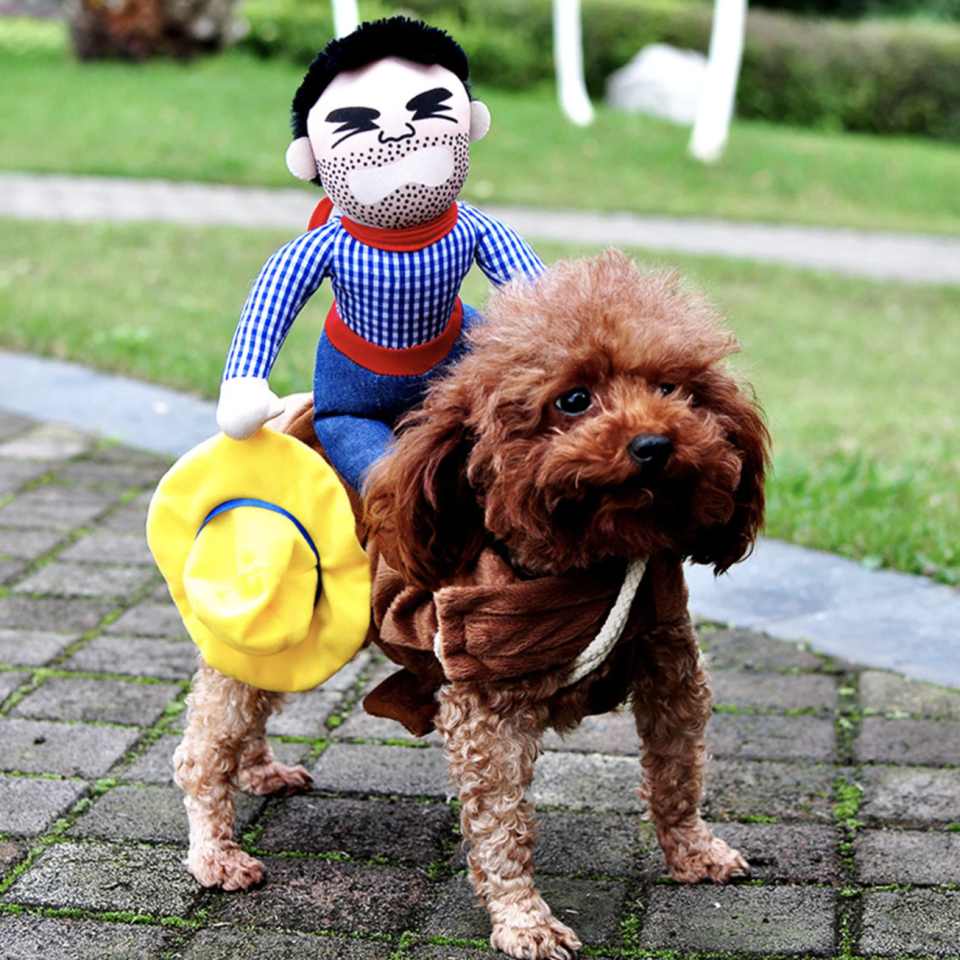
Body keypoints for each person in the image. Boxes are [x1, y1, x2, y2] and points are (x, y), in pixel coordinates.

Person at [217, 16, 545, 491]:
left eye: (427, 111)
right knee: (389, 484)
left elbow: (539, 295)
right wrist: (245, 382)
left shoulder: (472, 228)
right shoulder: (327, 245)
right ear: (309, 157)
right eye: (359, 126)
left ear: (471, 123)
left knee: (492, 463)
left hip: (456, 372)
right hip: (355, 394)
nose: (396, 137)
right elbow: (273, 298)